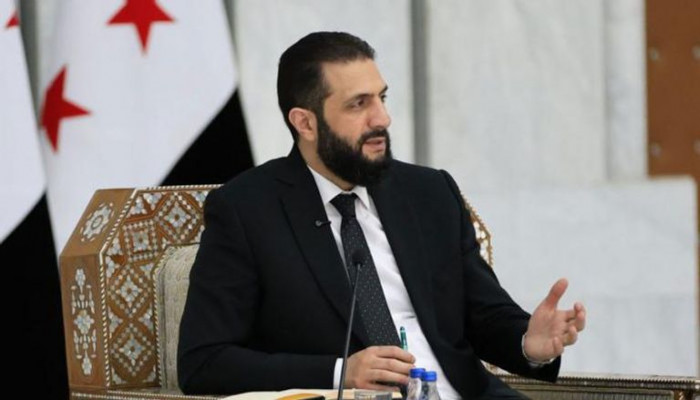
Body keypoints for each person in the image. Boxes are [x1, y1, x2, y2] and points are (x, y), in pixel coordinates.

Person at [177, 31, 586, 399]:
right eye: (359, 104)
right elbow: (204, 362)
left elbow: (483, 315)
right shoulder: (247, 210)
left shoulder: (429, 192)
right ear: (305, 123)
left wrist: (529, 343)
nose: (382, 119)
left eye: (381, 98)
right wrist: (339, 373)